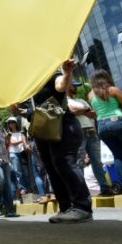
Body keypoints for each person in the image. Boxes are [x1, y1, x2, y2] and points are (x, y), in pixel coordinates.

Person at [32, 60, 92, 223]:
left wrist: (67, 73)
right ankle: (66, 207)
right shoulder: (31, 85)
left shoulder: (52, 75)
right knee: (52, 167)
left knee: (64, 162)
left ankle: (82, 207)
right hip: (44, 131)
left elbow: (60, 85)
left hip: (63, 126)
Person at [67, 82, 113, 196]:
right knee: (79, 162)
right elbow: (72, 111)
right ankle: (82, 191)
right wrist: (85, 111)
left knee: (97, 161)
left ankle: (104, 187)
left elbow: (93, 114)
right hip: (78, 132)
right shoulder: (65, 100)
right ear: (67, 86)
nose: (76, 87)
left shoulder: (81, 101)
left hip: (91, 131)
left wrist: (83, 110)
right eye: (74, 85)